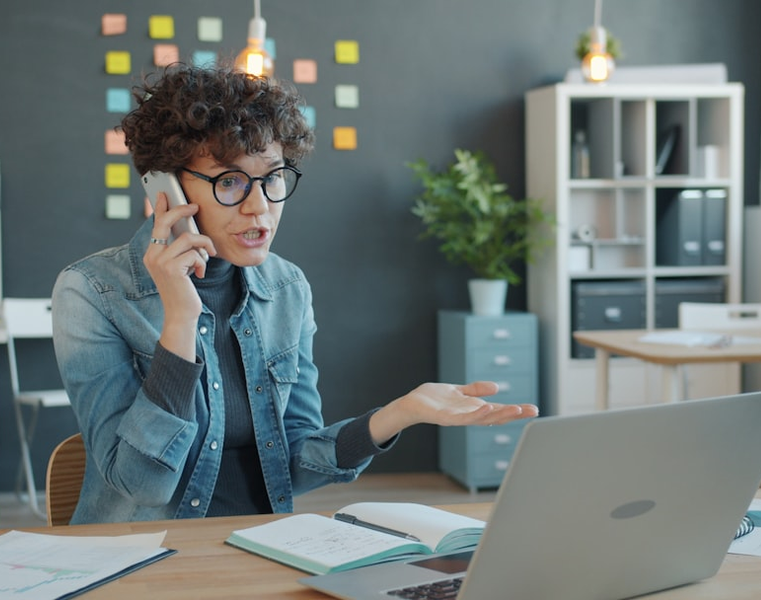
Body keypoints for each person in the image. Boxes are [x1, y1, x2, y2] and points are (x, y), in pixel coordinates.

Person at [51, 64, 537, 525]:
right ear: (165, 190)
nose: (259, 207)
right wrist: (180, 319)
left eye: (272, 177)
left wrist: (401, 413)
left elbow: (293, 462)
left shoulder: (286, 289)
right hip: (143, 561)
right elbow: (142, 483)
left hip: (264, 547)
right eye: (231, 181)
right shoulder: (93, 292)